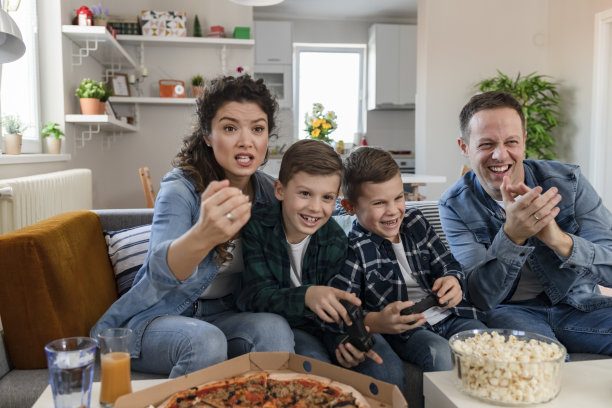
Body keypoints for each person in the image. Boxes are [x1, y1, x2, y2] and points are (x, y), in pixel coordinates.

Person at [90, 75, 295, 378]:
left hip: (225, 314)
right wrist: (203, 234)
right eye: (229, 128)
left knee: (275, 330)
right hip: (158, 314)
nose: (246, 140)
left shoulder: (268, 193)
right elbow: (159, 270)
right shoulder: (181, 188)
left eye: (258, 128)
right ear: (208, 135)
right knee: (203, 341)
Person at [439, 90, 612, 356]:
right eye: (486, 144)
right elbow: (480, 296)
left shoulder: (570, 183)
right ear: (464, 147)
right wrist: (512, 236)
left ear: (524, 141)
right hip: (511, 312)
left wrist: (558, 240)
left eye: (511, 142)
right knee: (540, 366)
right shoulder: (454, 205)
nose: (500, 155)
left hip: (579, 305)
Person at [236, 139, 406, 391]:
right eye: (305, 193)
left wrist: (345, 341)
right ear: (280, 190)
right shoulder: (258, 228)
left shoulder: (335, 239)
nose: (315, 208)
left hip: (327, 328)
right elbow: (254, 297)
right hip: (290, 327)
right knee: (313, 370)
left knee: (387, 370)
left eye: (327, 197)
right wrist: (306, 295)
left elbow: (343, 305)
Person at [328, 146, 486, 373]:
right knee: (440, 354)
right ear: (350, 207)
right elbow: (344, 312)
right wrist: (378, 321)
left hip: (449, 315)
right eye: (379, 203)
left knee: (482, 339)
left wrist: (453, 280)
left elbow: (448, 264)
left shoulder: (415, 222)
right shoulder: (352, 248)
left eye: (398, 198)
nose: (393, 211)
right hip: (406, 331)